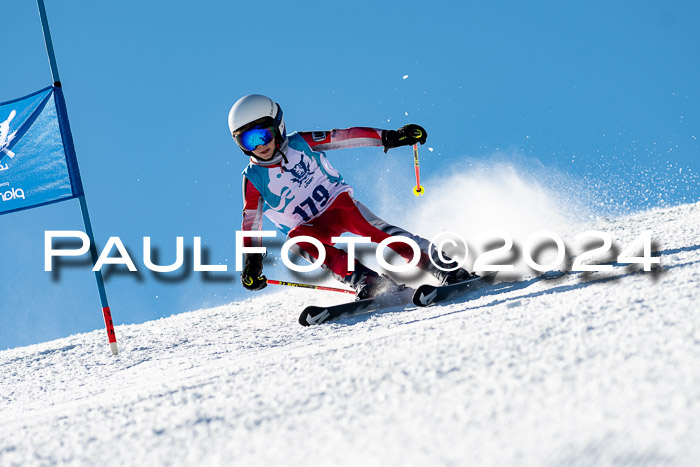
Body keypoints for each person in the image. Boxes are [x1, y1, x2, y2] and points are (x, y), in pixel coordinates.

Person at [229, 94, 473, 300]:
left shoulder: (301, 142)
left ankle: (443, 267)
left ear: (278, 126)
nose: (260, 145)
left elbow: (344, 137)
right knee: (301, 244)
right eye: (248, 140)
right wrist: (252, 260)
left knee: (375, 230)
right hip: (308, 227)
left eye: (263, 135)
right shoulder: (253, 178)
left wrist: (389, 137)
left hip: (337, 204)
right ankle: (369, 281)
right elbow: (251, 223)